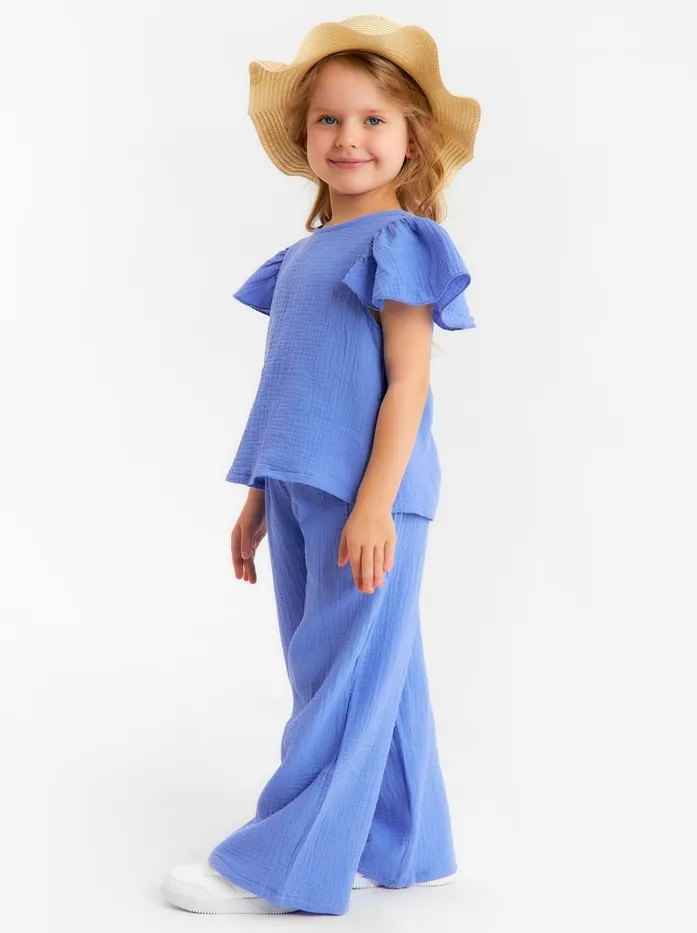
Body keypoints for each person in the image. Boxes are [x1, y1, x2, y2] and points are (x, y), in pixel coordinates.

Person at [162, 14, 481, 917]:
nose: (349, 137)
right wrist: (259, 494)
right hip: (301, 487)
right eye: (329, 120)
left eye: (374, 119)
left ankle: (278, 862)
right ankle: (408, 845)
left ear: (413, 137)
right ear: (304, 138)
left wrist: (376, 501)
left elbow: (408, 382)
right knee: (369, 669)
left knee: (340, 680)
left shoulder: (402, 241)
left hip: (367, 497)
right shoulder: (301, 257)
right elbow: (297, 383)